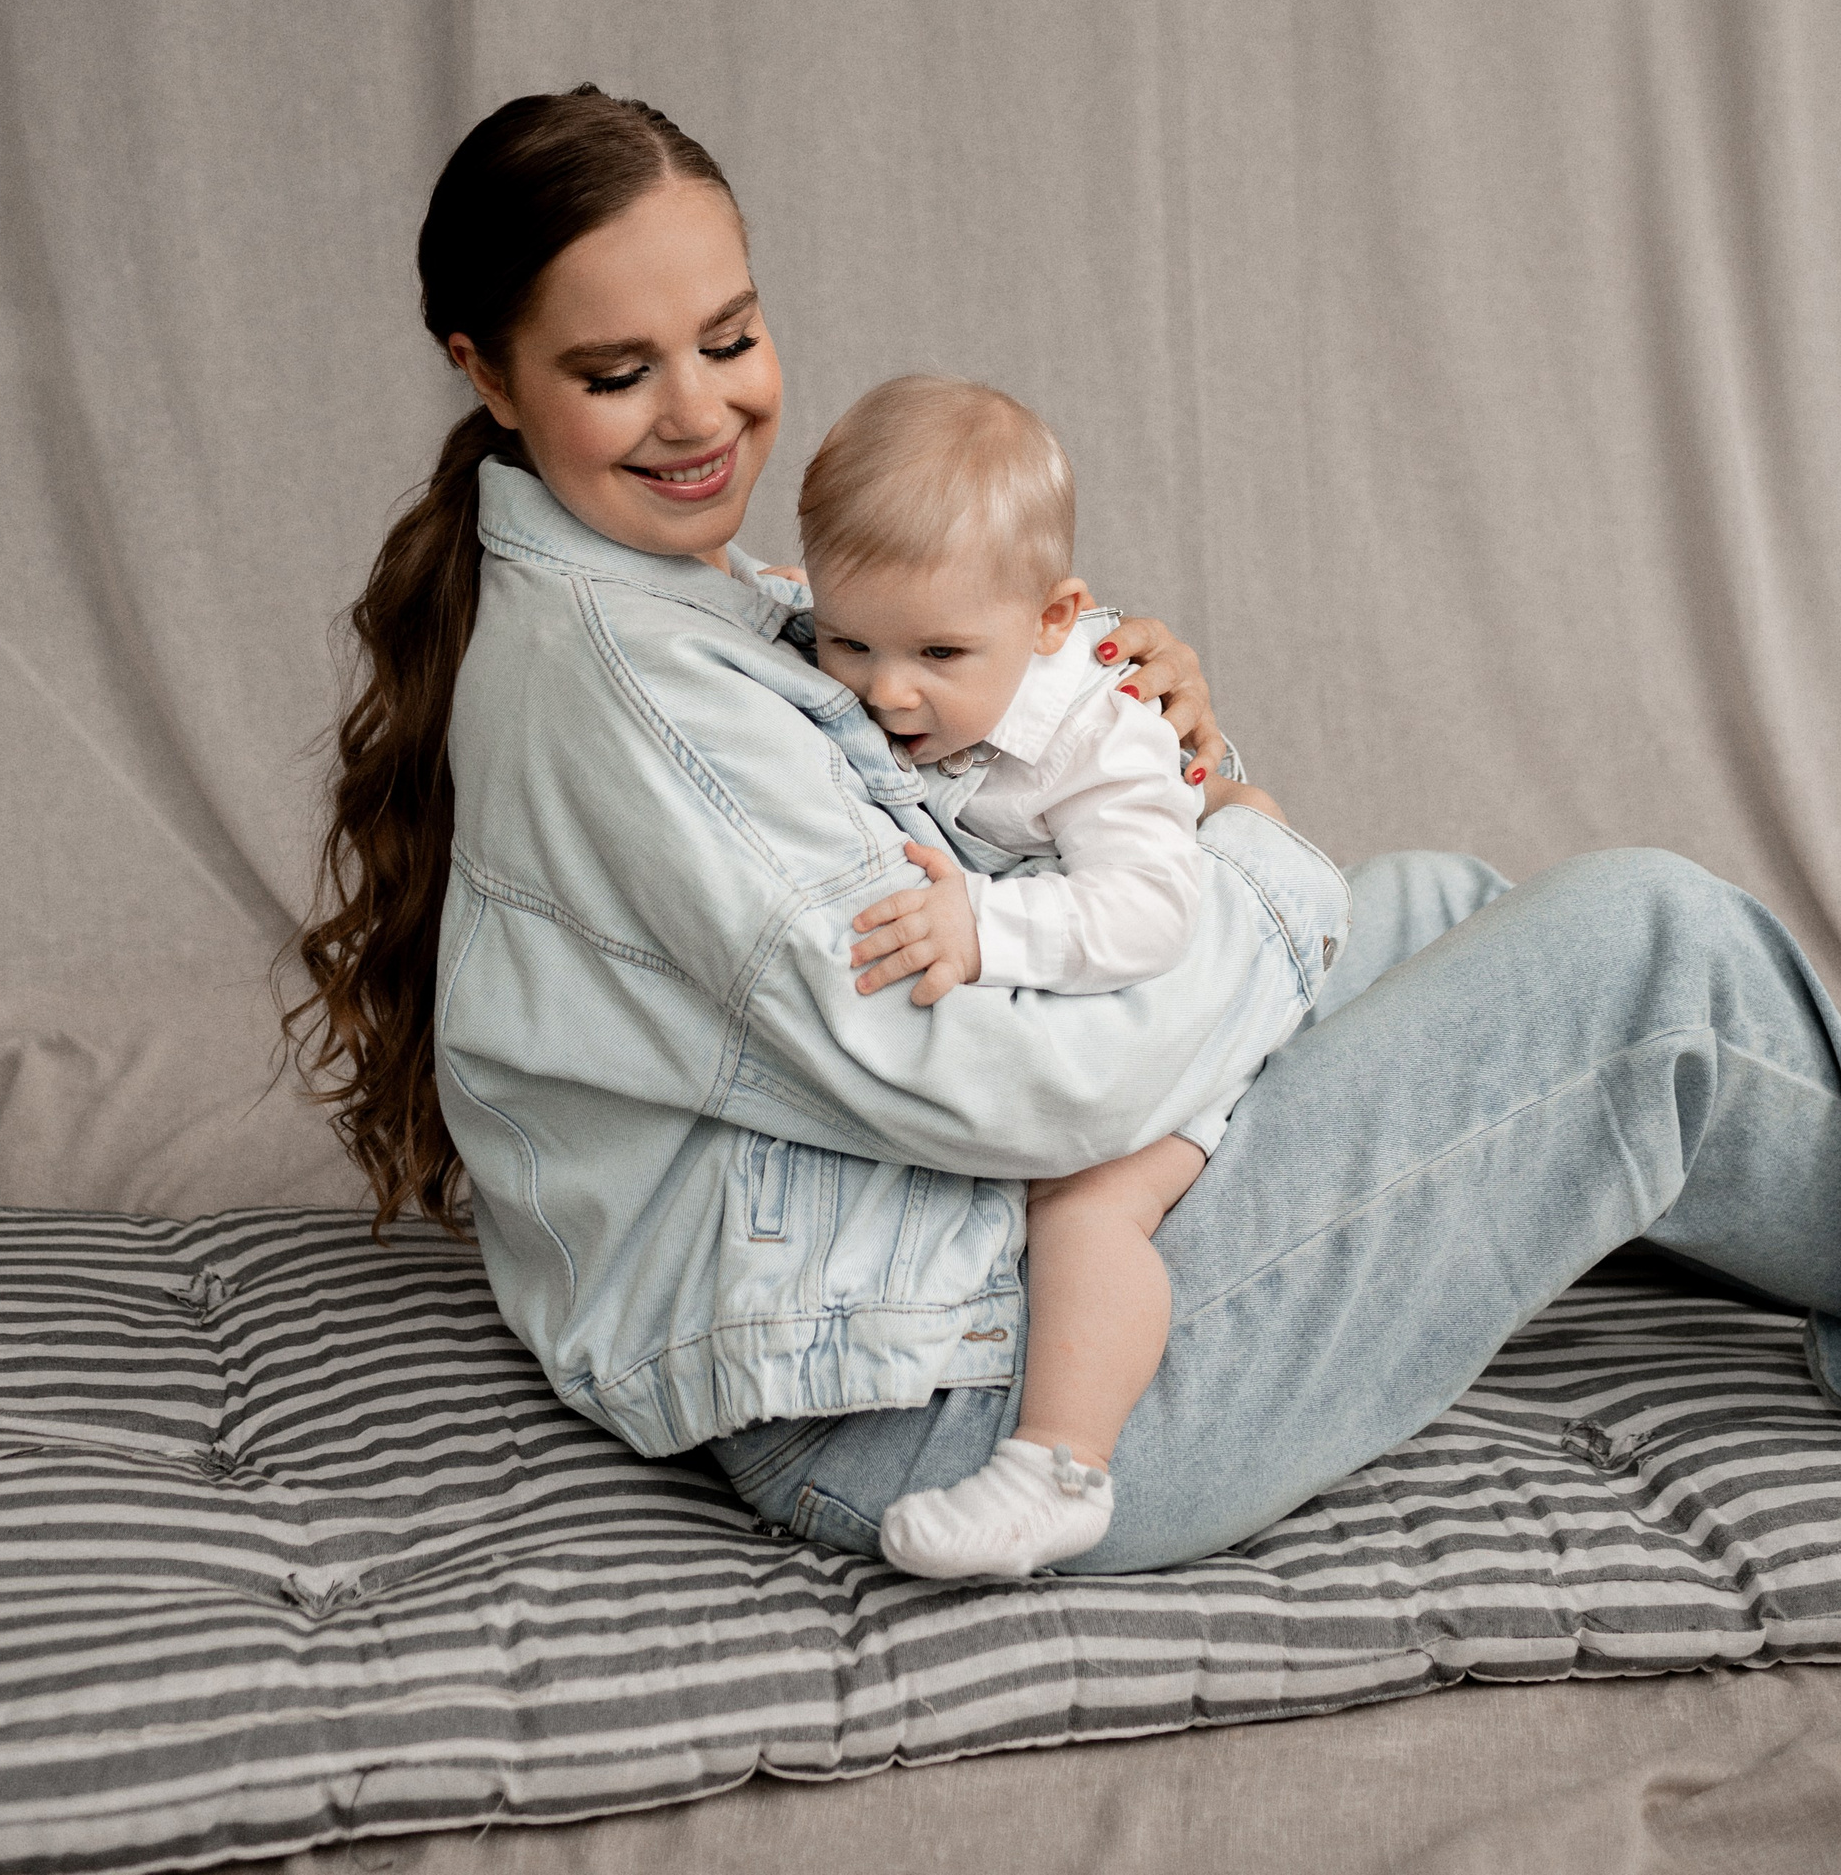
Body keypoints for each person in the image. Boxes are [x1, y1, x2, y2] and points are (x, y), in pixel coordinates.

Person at [289, 84, 1841, 1581]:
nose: (701, 410)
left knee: (1443, 906)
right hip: (954, 1398)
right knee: (1650, 957)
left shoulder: (709, 606)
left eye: (732, 336)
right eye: (618, 372)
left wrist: (1160, 748)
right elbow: (1002, 1084)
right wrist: (1256, 864)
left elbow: (991, 846)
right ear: (489, 375)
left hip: (944, 1275)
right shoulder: (642, 700)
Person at [793, 371, 1344, 1575]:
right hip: (1077, 1010)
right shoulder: (903, 653)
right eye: (849, 642)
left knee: (1086, 1211)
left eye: (938, 652)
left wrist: (986, 926)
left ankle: (1058, 1468)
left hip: (1195, 1017)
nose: (887, 689)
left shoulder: (1101, 736)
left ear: (1054, 619)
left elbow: (1151, 913)